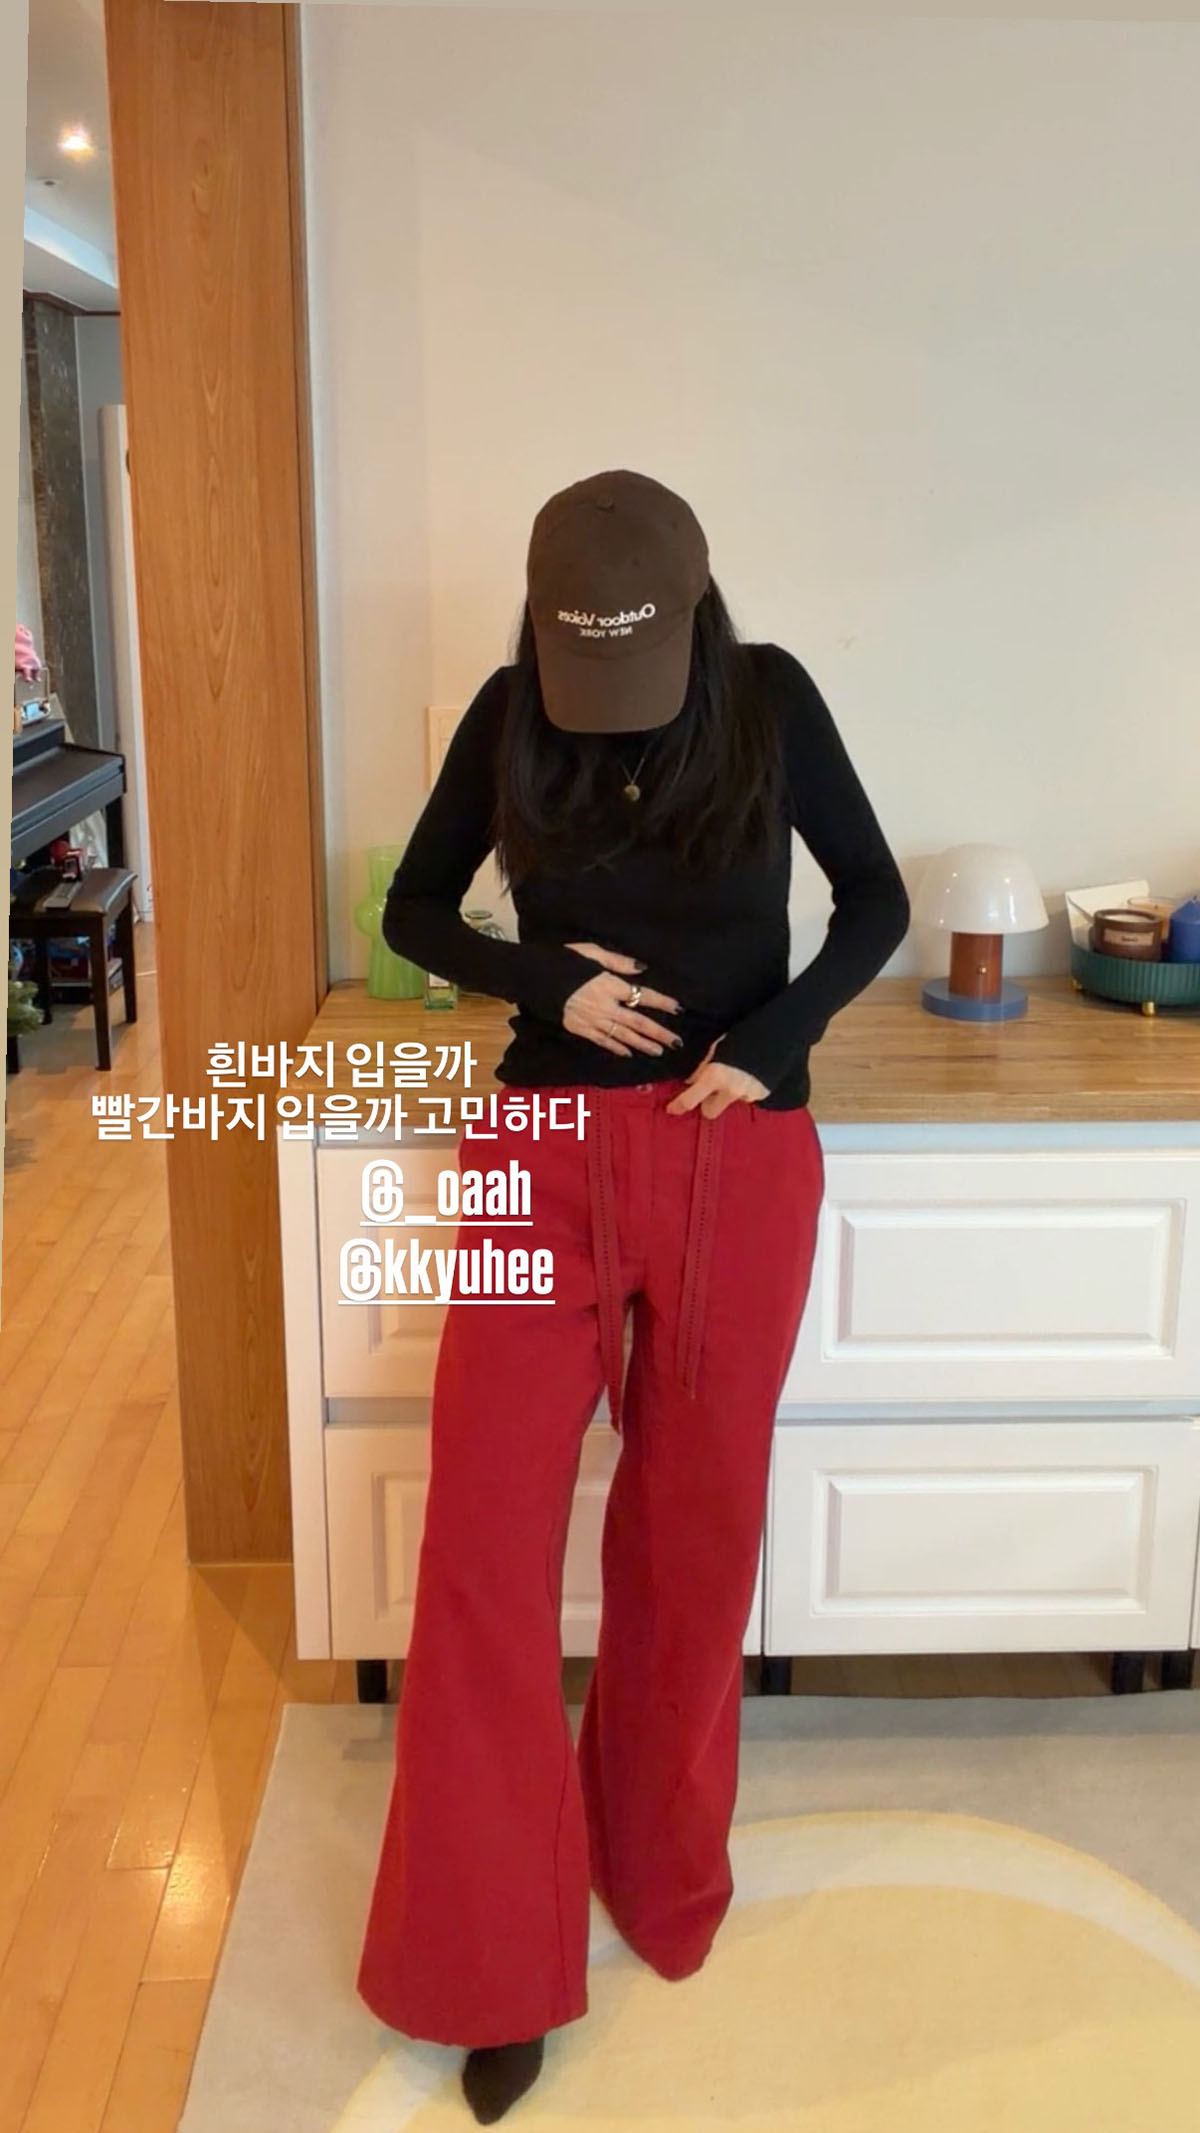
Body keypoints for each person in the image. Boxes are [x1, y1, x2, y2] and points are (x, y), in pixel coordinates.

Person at [355, 469, 910, 2122]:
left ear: (693, 614)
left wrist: (775, 1040)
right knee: (479, 1553)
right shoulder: (509, 710)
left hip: (737, 1157)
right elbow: (410, 908)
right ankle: (487, 1959)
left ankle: (661, 1874)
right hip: (540, 1158)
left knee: (691, 1538)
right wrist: (546, 981)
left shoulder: (774, 700)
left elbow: (874, 899)